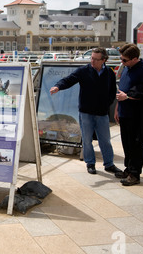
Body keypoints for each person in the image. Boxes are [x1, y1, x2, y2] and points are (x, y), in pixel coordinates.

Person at [50, 47, 122, 175]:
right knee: (87, 140)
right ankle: (90, 163)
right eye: (91, 58)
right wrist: (58, 86)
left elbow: (112, 92)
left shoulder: (109, 73)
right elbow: (69, 79)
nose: (92, 61)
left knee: (105, 140)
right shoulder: (84, 71)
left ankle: (109, 164)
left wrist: (107, 104)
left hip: (102, 113)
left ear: (104, 60)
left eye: (95, 59)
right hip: (86, 113)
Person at [114, 44, 143, 186]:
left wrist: (128, 97)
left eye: (124, 60)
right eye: (121, 59)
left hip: (136, 113)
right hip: (124, 112)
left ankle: (135, 173)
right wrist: (117, 109)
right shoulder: (126, 68)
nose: (122, 63)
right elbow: (121, 90)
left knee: (136, 144)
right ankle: (128, 168)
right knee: (126, 142)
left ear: (135, 58)